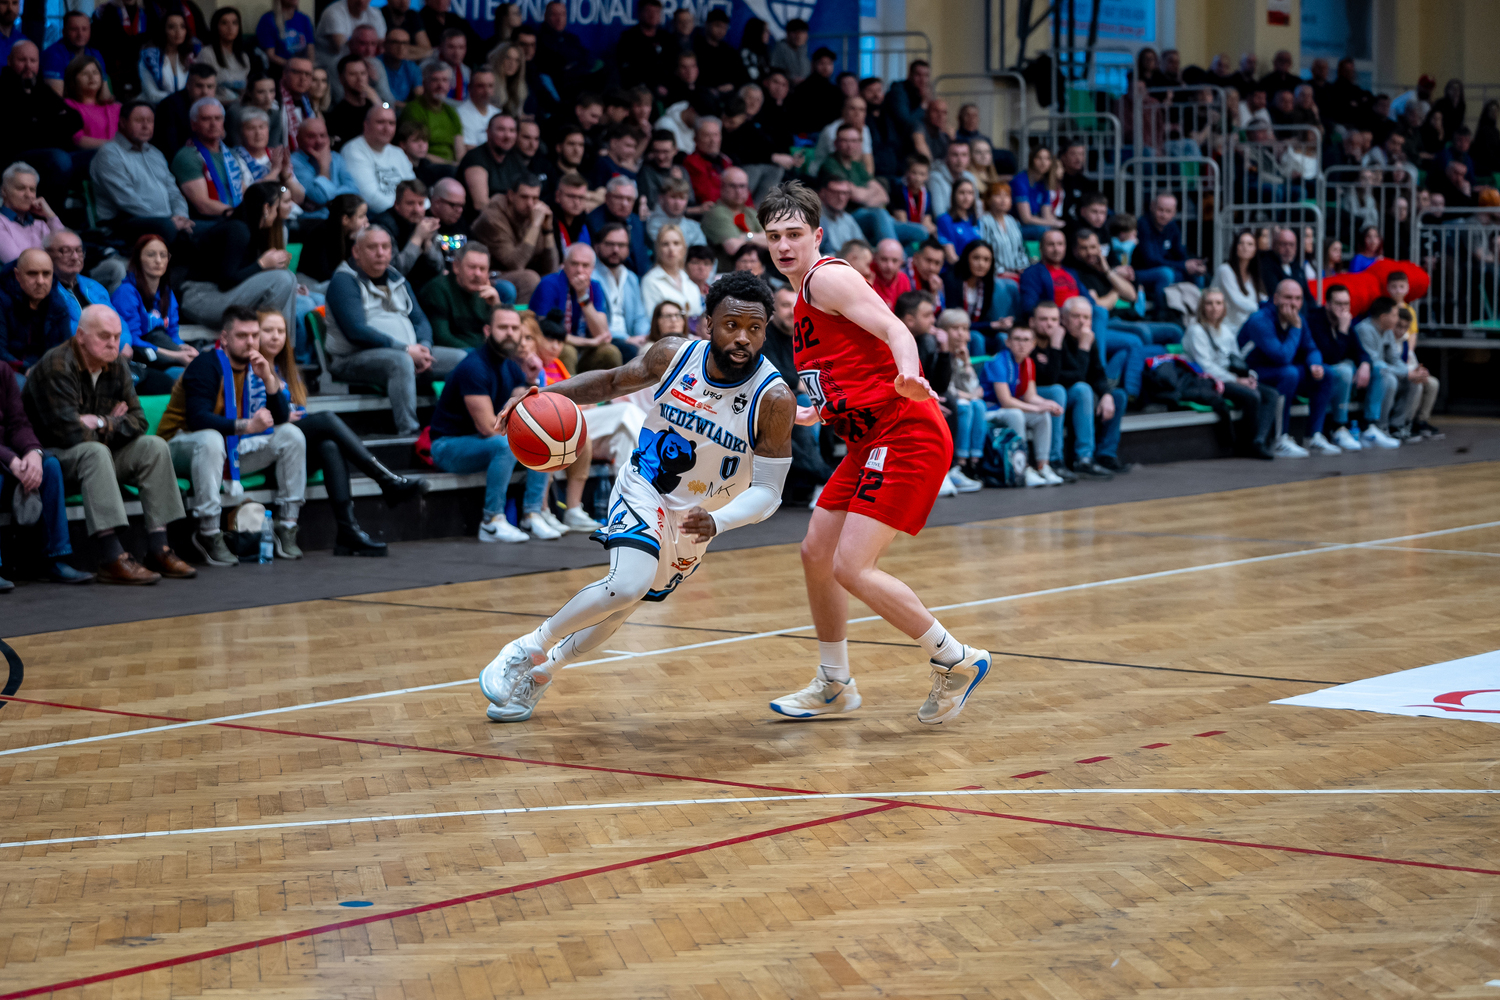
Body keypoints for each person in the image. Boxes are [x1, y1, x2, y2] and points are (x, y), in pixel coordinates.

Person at [479, 270, 795, 722]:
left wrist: (719, 520)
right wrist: (542, 396)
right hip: (644, 484)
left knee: (625, 602)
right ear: (708, 323)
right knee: (627, 582)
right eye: (732, 325)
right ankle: (525, 648)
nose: (743, 337)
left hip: (696, 520)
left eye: (755, 328)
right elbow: (610, 382)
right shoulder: (673, 355)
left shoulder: (774, 398)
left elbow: (768, 491)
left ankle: (542, 674)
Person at [758, 180, 990, 725]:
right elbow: (845, 376)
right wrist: (818, 412)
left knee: (851, 566)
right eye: (774, 236)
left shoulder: (827, 278)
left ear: (817, 236)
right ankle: (835, 682)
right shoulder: (803, 304)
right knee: (816, 552)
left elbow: (893, 327)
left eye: (794, 234)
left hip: (906, 432)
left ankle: (954, 657)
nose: (784, 245)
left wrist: (908, 373)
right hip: (869, 440)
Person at [21, 305, 194, 583]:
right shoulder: (57, 365)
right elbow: (69, 434)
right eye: (104, 336)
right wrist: (112, 423)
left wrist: (100, 422)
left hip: (99, 452)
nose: (113, 343)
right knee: (95, 452)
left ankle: (159, 548)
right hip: (53, 459)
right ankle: (112, 556)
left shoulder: (117, 363)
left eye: (116, 336)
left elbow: (139, 422)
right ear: (80, 336)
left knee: (154, 447)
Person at [154, 303, 306, 564]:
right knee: (211, 438)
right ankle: (209, 532)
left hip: (226, 452)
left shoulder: (255, 367)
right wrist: (246, 426)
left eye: (254, 335)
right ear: (224, 338)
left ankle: (287, 525)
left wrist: (269, 380)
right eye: (242, 336)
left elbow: (280, 419)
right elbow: (198, 419)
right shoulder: (205, 364)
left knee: (291, 435)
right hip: (179, 447)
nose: (251, 342)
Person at [425, 303, 545, 544]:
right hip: (448, 446)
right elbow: (488, 428)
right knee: (506, 445)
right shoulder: (474, 367)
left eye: (515, 328)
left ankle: (532, 514)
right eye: (503, 327)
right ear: (488, 331)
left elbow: (525, 412)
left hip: (481, 443)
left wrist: (532, 379)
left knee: (544, 439)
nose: (510, 333)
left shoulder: (511, 367)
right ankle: (491, 521)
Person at [324, 226, 461, 434]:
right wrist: (405, 350)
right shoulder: (344, 281)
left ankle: (456, 427)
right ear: (356, 252)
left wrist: (424, 346)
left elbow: (420, 320)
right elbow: (356, 331)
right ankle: (409, 432)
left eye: (385, 247)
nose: (380, 253)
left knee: (460, 360)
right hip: (352, 359)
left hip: (409, 352)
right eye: (372, 247)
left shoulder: (396, 277)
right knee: (401, 362)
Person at [0, 353, 92, 588]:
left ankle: (55, 558)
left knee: (49, 465)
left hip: (8, 455)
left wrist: (33, 452)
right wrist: (11, 460)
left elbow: (18, 423)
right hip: (5, 457)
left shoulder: (3, 371)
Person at [178, 180, 299, 334]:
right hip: (201, 298)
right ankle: (263, 341)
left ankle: (280, 346)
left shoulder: (252, 231)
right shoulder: (238, 230)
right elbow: (226, 281)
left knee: (288, 279)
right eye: (276, 208)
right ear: (266, 208)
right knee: (282, 279)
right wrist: (261, 264)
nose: (277, 214)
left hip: (219, 295)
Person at [1238, 280, 1338, 457]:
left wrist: (1314, 364)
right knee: (1289, 373)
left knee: (1327, 373)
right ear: (1276, 298)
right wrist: (1296, 328)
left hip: (1279, 371)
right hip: (1252, 372)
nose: (1293, 303)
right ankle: (1280, 439)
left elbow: (1311, 348)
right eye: (1288, 297)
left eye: (1298, 298)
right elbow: (1281, 357)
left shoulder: (1298, 319)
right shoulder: (1260, 320)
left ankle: (1313, 436)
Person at [1181, 288, 1281, 459]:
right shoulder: (1196, 331)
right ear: (1202, 307)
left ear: (1224, 307)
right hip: (1209, 381)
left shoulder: (1226, 330)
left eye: (1218, 303)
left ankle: (1259, 441)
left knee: (1271, 394)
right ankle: (1247, 445)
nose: (1214, 307)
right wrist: (1237, 380)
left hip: (1230, 377)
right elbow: (1206, 367)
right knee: (1252, 396)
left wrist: (1249, 376)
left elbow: (1237, 360)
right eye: (1209, 303)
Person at [0, 41, 83, 211]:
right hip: (16, 158)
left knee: (100, 155)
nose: (28, 66)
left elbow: (76, 120)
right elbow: (19, 134)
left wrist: (40, 122)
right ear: (9, 61)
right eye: (22, 60)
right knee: (60, 159)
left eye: (33, 60)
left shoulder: (41, 88)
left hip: (53, 152)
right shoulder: (4, 88)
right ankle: (49, 216)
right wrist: (53, 121)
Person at [981, 322, 1062, 486]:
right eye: (1017, 339)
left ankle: (1043, 466)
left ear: (1033, 344)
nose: (1021, 344)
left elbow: (1030, 396)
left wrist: (1047, 404)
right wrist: (1036, 407)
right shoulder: (998, 361)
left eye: (1026, 340)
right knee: (1016, 414)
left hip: (1006, 410)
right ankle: (1022, 467)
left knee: (1043, 415)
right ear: (1008, 342)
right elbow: (1005, 401)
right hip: (990, 410)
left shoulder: (1029, 363)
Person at [109, 233, 195, 383]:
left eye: (163, 255)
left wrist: (184, 347)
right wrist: (176, 356)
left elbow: (173, 334)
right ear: (138, 259)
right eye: (151, 255)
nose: (158, 261)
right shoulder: (125, 293)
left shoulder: (167, 293)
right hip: (140, 357)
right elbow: (132, 341)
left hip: (163, 354)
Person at [528, 243, 619, 373]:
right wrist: (587, 342)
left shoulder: (595, 287)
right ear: (564, 264)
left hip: (585, 350)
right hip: (556, 344)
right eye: (574, 264)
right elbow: (545, 332)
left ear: (592, 269)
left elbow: (602, 334)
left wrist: (583, 297)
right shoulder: (548, 284)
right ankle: (567, 387)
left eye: (585, 266)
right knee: (567, 351)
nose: (579, 270)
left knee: (611, 352)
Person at [1303, 282, 1373, 451]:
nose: (1343, 308)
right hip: (1316, 373)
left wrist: (1365, 364)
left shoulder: (1346, 320)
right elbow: (1330, 357)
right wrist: (1342, 330)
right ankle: (1338, 427)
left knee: (1377, 369)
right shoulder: (1315, 321)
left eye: (1346, 304)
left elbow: (1360, 351)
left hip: (1334, 374)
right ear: (1327, 304)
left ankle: (1372, 426)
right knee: (1345, 371)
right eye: (1338, 303)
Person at [470, 174, 553, 303]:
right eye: (524, 197)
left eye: (535, 198)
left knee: (556, 279)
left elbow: (550, 269)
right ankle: (516, 316)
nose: (530, 204)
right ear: (511, 195)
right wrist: (535, 226)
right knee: (529, 279)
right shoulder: (492, 218)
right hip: (485, 275)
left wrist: (548, 230)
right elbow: (515, 263)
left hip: (512, 274)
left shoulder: (531, 216)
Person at [1352, 296, 1414, 448]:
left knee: (1414, 382)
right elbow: (1374, 363)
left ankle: (1397, 426)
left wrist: (1410, 372)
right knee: (1389, 378)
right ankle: (1380, 428)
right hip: (1365, 378)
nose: (1397, 318)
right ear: (1383, 317)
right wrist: (1405, 373)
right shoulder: (1364, 329)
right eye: (1394, 315)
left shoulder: (1387, 331)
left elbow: (1394, 359)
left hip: (1383, 373)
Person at [417, 243, 500, 352]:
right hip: (455, 353)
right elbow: (442, 337)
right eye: (472, 267)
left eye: (482, 269)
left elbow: (502, 336)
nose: (477, 273)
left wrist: (496, 306)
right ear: (456, 267)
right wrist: (479, 355)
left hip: (481, 353)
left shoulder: (488, 294)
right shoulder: (437, 289)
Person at [1134, 191, 1207, 313]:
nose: (1164, 215)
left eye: (1168, 211)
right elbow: (1151, 259)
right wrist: (1183, 265)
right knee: (1165, 273)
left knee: (1196, 273)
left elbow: (1180, 254)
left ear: (1174, 212)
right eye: (1160, 210)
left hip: (1167, 269)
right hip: (1141, 272)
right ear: (1152, 207)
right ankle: (1161, 313)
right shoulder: (1143, 225)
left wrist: (1193, 265)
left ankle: (1198, 313)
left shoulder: (1172, 226)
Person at [0, 248, 71, 372]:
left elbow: (66, 348)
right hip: (11, 371)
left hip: (47, 371)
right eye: (32, 274)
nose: (40, 281)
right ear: (17, 275)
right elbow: (1, 352)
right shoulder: (2, 301)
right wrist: (27, 369)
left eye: (46, 274)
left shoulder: (57, 303)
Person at [942, 239, 1016, 355]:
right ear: (966, 258)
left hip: (977, 329)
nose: (981, 264)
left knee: (1002, 337)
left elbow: (983, 319)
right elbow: (954, 321)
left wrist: (1000, 324)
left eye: (986, 260)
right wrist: (991, 325)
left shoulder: (987, 285)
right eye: (976, 258)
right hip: (955, 331)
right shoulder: (951, 281)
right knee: (976, 338)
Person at [341, 104, 412, 216]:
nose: (386, 128)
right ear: (366, 125)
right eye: (380, 122)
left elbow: (415, 189)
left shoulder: (398, 153)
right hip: (375, 217)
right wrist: (404, 211)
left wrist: (422, 208)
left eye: (391, 123)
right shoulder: (353, 150)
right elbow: (370, 197)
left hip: (404, 213)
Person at [592, 221, 649, 354]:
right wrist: (626, 338)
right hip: (604, 340)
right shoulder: (590, 276)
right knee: (630, 351)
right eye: (610, 244)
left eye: (621, 245)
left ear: (628, 249)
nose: (615, 250)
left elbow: (640, 316)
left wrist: (642, 337)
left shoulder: (630, 277)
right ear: (597, 246)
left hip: (630, 340)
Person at [700, 166, 767, 272]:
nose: (738, 191)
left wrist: (746, 237)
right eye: (732, 186)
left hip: (755, 273)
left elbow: (772, 242)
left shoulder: (750, 212)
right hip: (725, 275)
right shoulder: (716, 213)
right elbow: (734, 248)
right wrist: (758, 238)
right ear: (722, 187)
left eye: (742, 186)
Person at [45, 229, 111, 334]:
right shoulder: (44, 291)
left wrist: (123, 341)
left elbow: (118, 320)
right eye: (66, 251)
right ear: (47, 254)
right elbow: (62, 329)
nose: (75, 257)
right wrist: (102, 334)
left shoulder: (94, 286)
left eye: (79, 250)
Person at [585, 175, 651, 276]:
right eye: (619, 198)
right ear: (607, 197)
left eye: (629, 199)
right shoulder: (593, 222)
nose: (624, 204)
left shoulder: (637, 221)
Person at [400, 62, 464, 163]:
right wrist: (449, 165)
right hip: (425, 165)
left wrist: (461, 166)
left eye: (445, 80)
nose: (440, 85)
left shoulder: (451, 112)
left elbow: (460, 150)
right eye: (435, 80)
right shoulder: (414, 109)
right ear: (424, 83)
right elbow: (415, 151)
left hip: (451, 166)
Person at [0, 164, 64, 264]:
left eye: (32, 189)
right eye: (21, 188)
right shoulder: (1, 221)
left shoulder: (40, 224)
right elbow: (18, 263)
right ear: (3, 191)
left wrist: (50, 216)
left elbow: (66, 250)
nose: (28, 195)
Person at [641, 223, 704, 322]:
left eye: (676, 243)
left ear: (684, 248)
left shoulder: (690, 283)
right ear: (658, 249)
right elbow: (653, 320)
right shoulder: (650, 281)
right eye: (665, 244)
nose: (671, 249)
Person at [1212, 228, 1267, 333]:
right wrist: (1264, 308)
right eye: (1241, 243)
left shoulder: (1253, 276)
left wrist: (1272, 306)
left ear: (1255, 250)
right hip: (1224, 328)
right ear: (1235, 247)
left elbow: (1263, 298)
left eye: (1250, 244)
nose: (1245, 247)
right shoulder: (1225, 270)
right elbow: (1237, 300)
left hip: (1245, 328)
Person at [62, 53, 118, 152]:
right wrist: (112, 146)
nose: (92, 77)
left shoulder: (115, 107)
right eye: (85, 73)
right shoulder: (68, 105)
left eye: (95, 73)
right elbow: (77, 139)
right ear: (73, 79)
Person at [1011, 145, 1064, 238]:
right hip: (1017, 226)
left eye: (1047, 159)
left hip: (1036, 224)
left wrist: (1056, 223)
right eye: (1039, 158)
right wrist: (1054, 223)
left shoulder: (1043, 183)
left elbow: (1046, 215)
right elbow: (1026, 219)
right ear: (1031, 160)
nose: (1043, 162)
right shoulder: (1020, 181)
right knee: (1044, 231)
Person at [979, 182, 1029, 275]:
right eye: (998, 195)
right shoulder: (984, 221)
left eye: (1006, 196)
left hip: (1016, 272)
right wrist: (1001, 272)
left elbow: (1020, 250)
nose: (1003, 200)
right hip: (995, 274)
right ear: (988, 200)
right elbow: (984, 251)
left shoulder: (1013, 221)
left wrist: (1023, 269)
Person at [645, 177, 706, 248]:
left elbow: (703, 252)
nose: (678, 203)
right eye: (673, 197)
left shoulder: (693, 227)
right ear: (661, 198)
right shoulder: (651, 224)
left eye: (682, 198)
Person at [935, 178, 983, 264]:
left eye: (970, 193)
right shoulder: (945, 220)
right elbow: (951, 257)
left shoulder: (975, 219)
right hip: (957, 268)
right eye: (962, 193)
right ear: (954, 195)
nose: (966, 197)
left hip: (976, 267)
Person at [255, 0, 314, 70]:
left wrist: (309, 67)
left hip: (303, 67)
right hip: (280, 69)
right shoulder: (267, 20)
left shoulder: (304, 19)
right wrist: (294, 67)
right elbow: (270, 55)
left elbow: (310, 50)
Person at [927, 140, 977, 221]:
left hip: (966, 224)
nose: (960, 160)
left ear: (969, 158)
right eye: (955, 155)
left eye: (964, 155)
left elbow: (975, 210)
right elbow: (939, 214)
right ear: (946, 157)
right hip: (945, 225)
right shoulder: (935, 178)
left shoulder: (970, 177)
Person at [816, 176, 863, 256]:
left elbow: (862, 247)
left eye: (845, 193)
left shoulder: (848, 219)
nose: (841, 198)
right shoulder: (815, 218)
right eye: (835, 192)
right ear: (823, 192)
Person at [870, 238, 912, 310]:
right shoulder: (867, 275)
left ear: (901, 262)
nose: (889, 266)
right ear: (875, 258)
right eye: (884, 259)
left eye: (895, 261)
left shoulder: (903, 280)